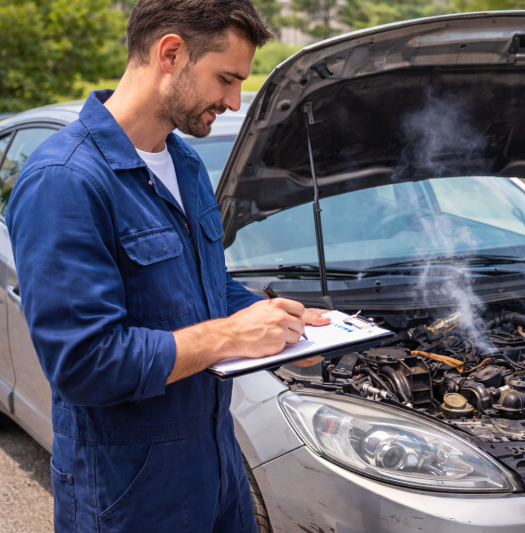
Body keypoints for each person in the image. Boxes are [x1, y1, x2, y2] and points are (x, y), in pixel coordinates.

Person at [6, 1, 330, 531]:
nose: (232, 101)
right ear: (171, 53)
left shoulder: (184, 161)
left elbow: (207, 286)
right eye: (226, 79)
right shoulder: (65, 180)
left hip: (218, 468)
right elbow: (85, 363)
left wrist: (284, 327)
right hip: (128, 491)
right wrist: (230, 336)